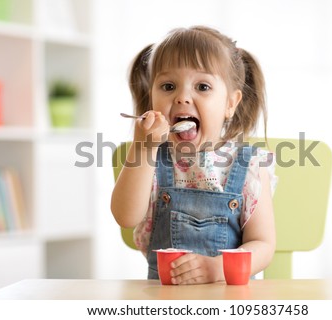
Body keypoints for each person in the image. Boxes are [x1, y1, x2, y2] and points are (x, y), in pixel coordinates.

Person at [111, 26, 277, 285]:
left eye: (202, 86)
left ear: (230, 104)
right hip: (164, 302)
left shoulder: (249, 166)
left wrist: (218, 269)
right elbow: (125, 216)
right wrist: (143, 147)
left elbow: (263, 244)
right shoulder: (151, 160)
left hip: (230, 301)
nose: (182, 97)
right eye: (168, 86)